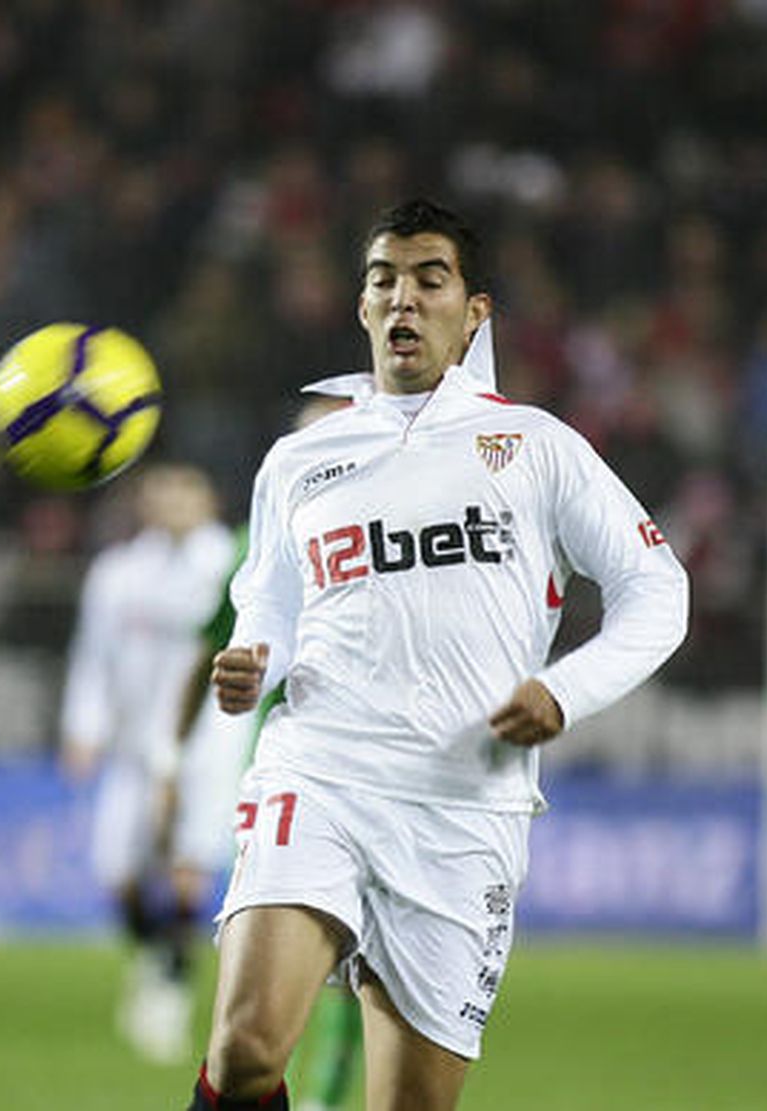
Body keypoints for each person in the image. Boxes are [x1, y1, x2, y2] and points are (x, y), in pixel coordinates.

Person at [187, 198, 688, 1110]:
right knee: (248, 1045)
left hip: (464, 810)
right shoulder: (301, 460)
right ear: (363, 307)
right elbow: (269, 598)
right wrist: (253, 653)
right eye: (385, 281)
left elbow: (661, 594)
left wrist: (563, 691)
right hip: (323, 770)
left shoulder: (535, 447)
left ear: (475, 311)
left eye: (430, 279)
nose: (405, 299)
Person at [175, 395, 361, 1111]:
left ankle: (328, 1091)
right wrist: (177, 744)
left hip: (403, 781)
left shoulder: (408, 511)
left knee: (361, 979)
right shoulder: (261, 533)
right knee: (251, 1032)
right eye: (302, 432)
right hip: (287, 771)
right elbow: (216, 645)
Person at [59, 462, 237, 1063]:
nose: (173, 501)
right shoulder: (118, 573)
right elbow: (93, 655)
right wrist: (83, 727)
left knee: (189, 864)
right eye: (161, 490)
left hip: (208, 741)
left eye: (185, 488)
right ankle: (155, 954)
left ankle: (171, 985)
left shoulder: (230, 564)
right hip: (134, 748)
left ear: (207, 498)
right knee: (119, 873)